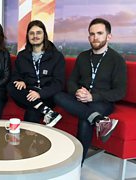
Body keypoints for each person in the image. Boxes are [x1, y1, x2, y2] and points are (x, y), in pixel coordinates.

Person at [53, 18, 127, 162]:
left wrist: (93, 97)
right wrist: (77, 92)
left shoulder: (117, 60)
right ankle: (98, 119)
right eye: (92, 34)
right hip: (80, 98)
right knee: (57, 96)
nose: (95, 37)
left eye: (99, 33)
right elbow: (72, 81)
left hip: (102, 101)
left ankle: (77, 165)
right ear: (88, 37)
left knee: (85, 120)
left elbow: (120, 92)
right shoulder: (82, 56)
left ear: (108, 36)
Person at [7, 20, 64, 127]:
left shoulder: (56, 56)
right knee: (11, 86)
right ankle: (45, 110)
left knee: (32, 112)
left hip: (46, 95)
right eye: (31, 33)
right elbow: (15, 75)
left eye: (38, 33)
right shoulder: (22, 55)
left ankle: (30, 143)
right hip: (27, 94)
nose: (35, 36)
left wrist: (40, 94)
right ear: (28, 36)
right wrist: (20, 80)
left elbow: (58, 83)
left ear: (44, 35)